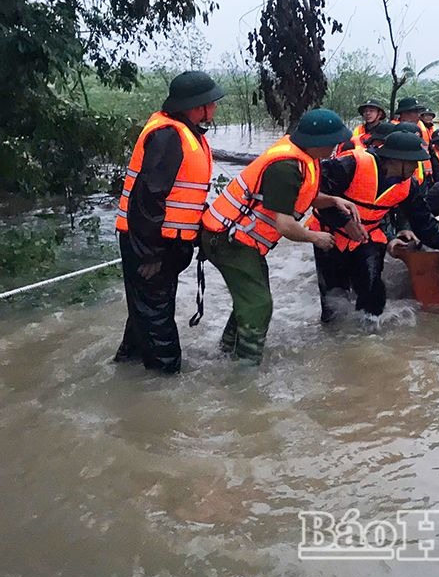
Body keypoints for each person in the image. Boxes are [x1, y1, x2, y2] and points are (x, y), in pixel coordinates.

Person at [201, 109, 357, 364]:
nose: (336, 146)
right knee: (259, 305)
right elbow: (285, 225)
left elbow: (302, 196)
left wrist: (334, 200)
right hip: (228, 240)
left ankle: (225, 352)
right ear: (316, 141)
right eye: (333, 141)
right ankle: (245, 371)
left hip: (240, 241)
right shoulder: (285, 167)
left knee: (251, 301)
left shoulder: (305, 158)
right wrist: (316, 238)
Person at [114, 71, 224, 374]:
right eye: (210, 104)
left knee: (148, 312)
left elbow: (179, 196)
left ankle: (126, 370)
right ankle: (164, 382)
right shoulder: (168, 136)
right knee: (157, 316)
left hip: (165, 242)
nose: (214, 109)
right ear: (194, 107)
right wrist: (150, 253)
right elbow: (147, 199)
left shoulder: (187, 134)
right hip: (149, 242)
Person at [311, 132, 439, 321]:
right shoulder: (351, 164)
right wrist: (345, 222)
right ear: (396, 160)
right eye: (413, 162)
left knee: (373, 290)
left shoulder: (408, 185)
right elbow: (315, 194)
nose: (416, 167)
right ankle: (334, 337)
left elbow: (422, 219)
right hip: (329, 235)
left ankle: (370, 336)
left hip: (368, 237)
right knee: (333, 296)